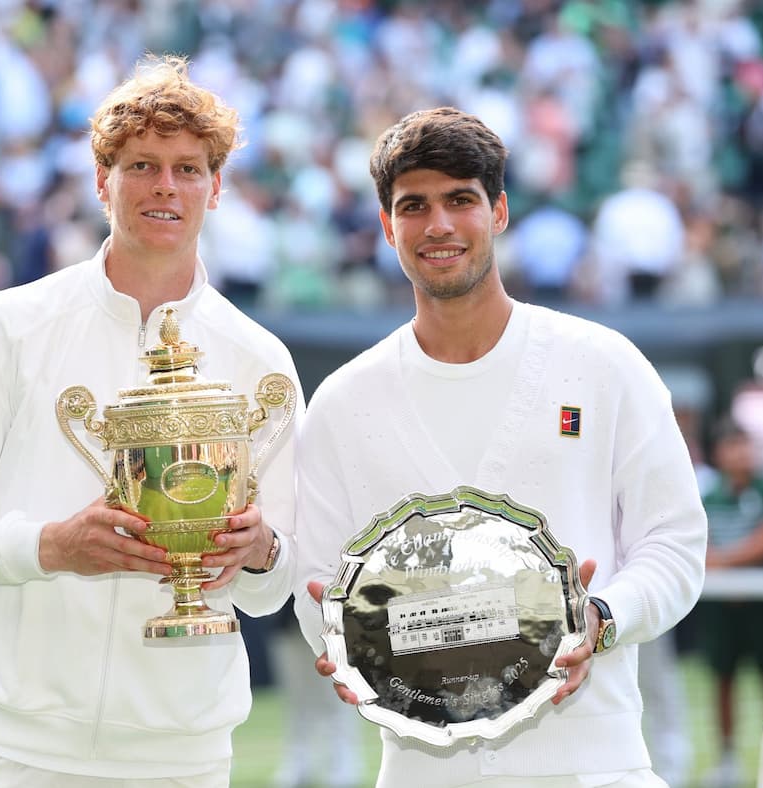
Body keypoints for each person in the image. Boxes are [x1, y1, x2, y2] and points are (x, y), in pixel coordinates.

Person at [0, 55, 302, 787]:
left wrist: (262, 550)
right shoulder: (9, 327)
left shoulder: (258, 359)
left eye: (188, 168)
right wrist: (49, 546)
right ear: (100, 178)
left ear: (216, 187)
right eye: (142, 164)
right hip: (12, 752)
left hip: (184, 757)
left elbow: (276, 586)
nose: (165, 187)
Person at [293, 107, 707, 787]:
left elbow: (675, 543)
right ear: (385, 226)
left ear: (501, 211)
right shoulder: (342, 402)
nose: (439, 225)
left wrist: (601, 618)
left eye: (462, 200)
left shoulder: (604, 365)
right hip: (424, 769)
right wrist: (344, 639)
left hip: (592, 764)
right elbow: (322, 588)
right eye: (414, 206)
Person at [698, 419, 763, 788]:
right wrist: (721, 572)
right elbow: (697, 543)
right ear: (720, 454)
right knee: (723, 680)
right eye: (734, 446)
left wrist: (723, 564)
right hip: (722, 607)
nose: (742, 453)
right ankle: (727, 760)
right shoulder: (708, 496)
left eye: (746, 445)